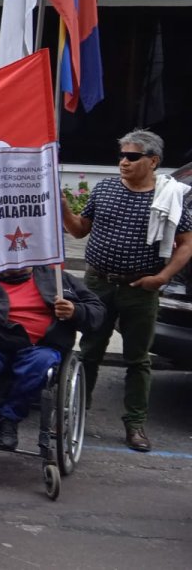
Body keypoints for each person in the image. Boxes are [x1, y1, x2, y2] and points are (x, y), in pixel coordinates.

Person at [61, 129, 192, 452]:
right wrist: (64, 210)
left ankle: (135, 424)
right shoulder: (105, 189)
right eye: (121, 156)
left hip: (140, 289)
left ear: (153, 161)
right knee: (89, 351)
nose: (123, 162)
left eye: (132, 157)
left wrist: (161, 278)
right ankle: (77, 413)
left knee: (137, 359)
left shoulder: (168, 196)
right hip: (98, 284)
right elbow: (79, 230)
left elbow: (186, 244)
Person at [0, 266, 105, 452]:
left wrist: (75, 311)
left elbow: (98, 312)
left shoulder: (59, 280)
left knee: (42, 363)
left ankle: (10, 418)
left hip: (40, 346)